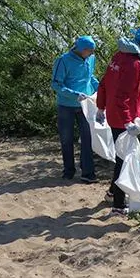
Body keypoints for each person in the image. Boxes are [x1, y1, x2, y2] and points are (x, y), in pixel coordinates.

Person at [96, 25, 140, 216]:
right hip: (124, 119)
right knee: (123, 160)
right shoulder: (133, 64)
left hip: (117, 115)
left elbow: (104, 83)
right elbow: (123, 95)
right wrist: (128, 122)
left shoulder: (118, 56)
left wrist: (101, 106)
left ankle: (112, 192)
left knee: (122, 157)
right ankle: (118, 205)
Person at [51, 35, 100, 183]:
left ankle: (88, 173)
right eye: (89, 51)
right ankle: (68, 171)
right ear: (81, 49)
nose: (91, 54)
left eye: (92, 51)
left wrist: (101, 89)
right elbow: (56, 84)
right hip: (66, 106)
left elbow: (90, 78)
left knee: (87, 138)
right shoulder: (63, 60)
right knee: (66, 139)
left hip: (86, 105)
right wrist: (74, 95)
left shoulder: (91, 59)